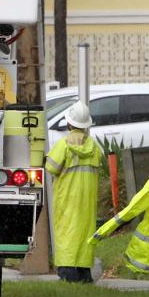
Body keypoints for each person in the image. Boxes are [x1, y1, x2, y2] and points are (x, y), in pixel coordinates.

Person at [45, 101, 103, 282]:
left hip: (67, 199)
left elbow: (50, 168)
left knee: (66, 233)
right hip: (87, 201)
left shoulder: (63, 146)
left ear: (69, 124)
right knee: (85, 233)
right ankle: (84, 274)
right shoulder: (94, 148)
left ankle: (68, 274)